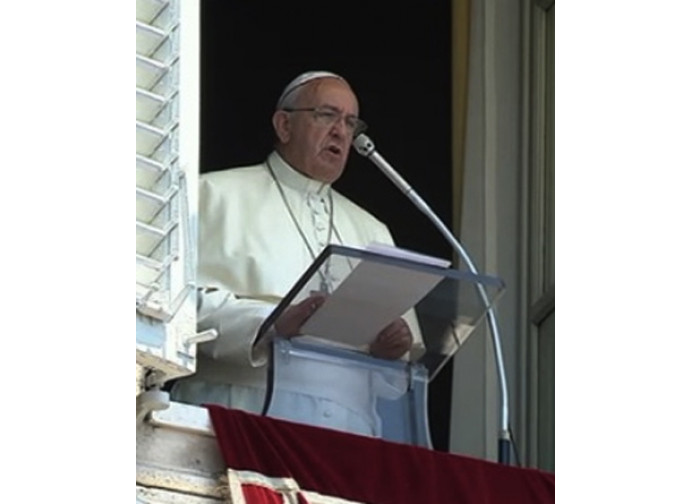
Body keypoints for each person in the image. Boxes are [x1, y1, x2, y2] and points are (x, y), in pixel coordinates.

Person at [171, 71, 423, 437]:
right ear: (284, 125)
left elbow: (397, 380)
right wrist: (272, 323)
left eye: (351, 122)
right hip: (237, 416)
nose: (340, 131)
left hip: (350, 434)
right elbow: (175, 308)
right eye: (326, 115)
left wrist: (391, 351)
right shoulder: (212, 195)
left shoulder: (374, 232)